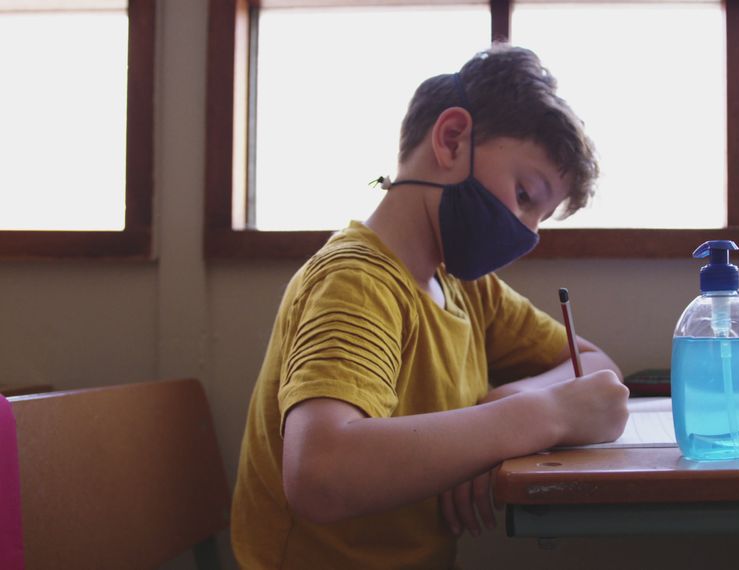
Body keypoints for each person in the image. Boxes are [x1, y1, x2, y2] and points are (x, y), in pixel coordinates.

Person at [231, 43, 629, 569]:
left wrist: (501, 404)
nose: (528, 233)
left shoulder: (466, 289)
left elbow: (593, 364)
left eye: (541, 218)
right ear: (451, 138)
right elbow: (320, 474)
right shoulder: (356, 281)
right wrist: (539, 415)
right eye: (526, 195)